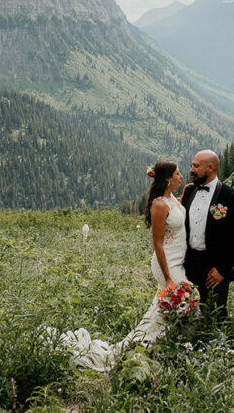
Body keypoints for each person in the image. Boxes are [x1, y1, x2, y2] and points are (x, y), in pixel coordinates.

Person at [54, 159, 187, 371]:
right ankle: (141, 349)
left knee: (163, 310)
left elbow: (177, 218)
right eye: (178, 174)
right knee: (167, 308)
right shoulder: (159, 204)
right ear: (167, 179)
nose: (182, 176)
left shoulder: (171, 199)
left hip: (178, 261)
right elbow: (158, 244)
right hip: (168, 264)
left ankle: (155, 346)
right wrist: (168, 277)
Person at [181, 149, 234, 322]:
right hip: (189, 263)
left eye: (196, 166)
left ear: (210, 168)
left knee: (215, 315)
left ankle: (223, 346)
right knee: (186, 312)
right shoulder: (188, 192)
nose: (191, 170)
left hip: (215, 267)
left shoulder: (230, 196)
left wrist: (222, 269)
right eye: (192, 165)